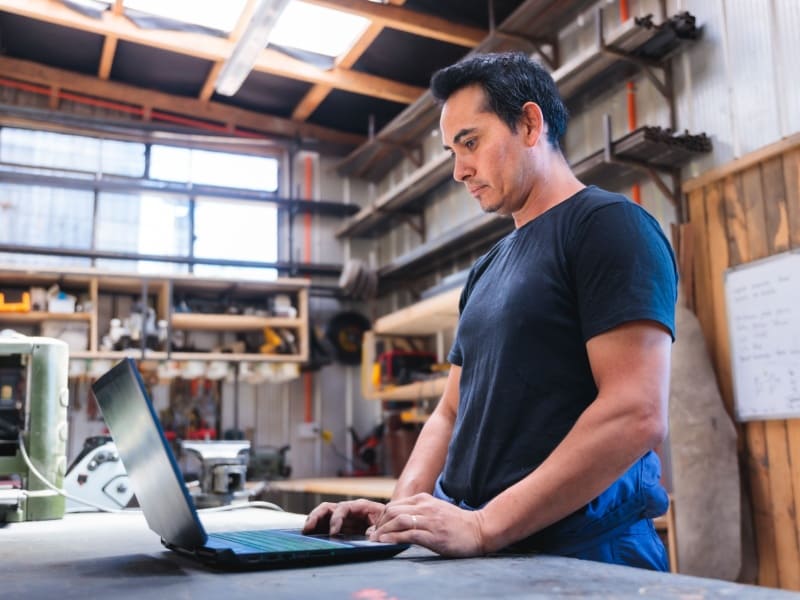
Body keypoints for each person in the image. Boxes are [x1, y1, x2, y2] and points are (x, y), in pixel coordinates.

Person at [304, 51, 678, 570]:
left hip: (583, 554)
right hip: (492, 549)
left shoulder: (609, 226)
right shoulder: (487, 268)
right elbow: (450, 412)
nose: (459, 170)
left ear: (529, 123)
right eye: (451, 151)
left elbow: (635, 411)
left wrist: (485, 525)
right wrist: (400, 513)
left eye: (471, 143)